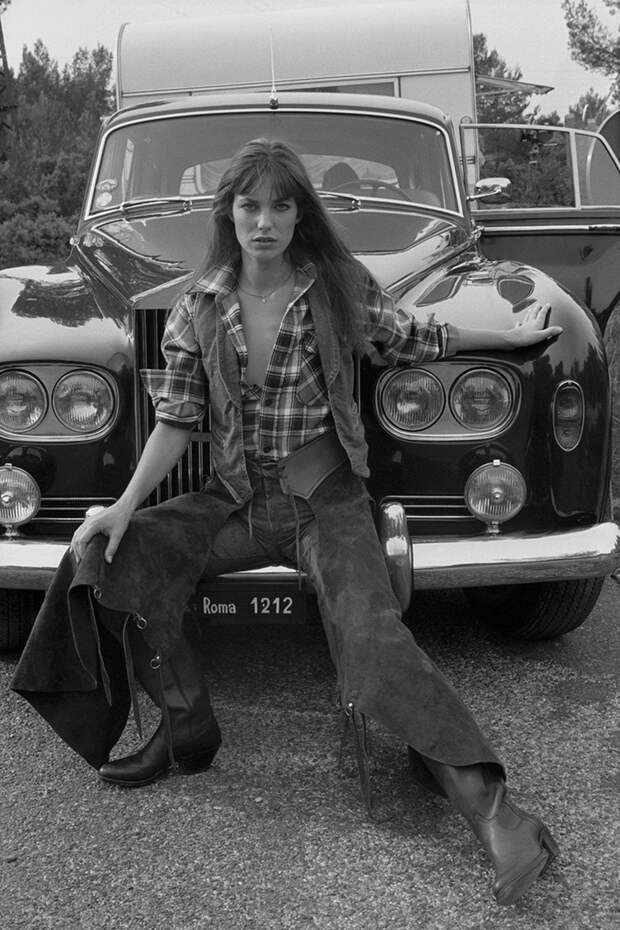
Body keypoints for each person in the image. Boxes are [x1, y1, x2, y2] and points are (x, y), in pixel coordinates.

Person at [12, 138, 562, 906]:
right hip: (235, 500)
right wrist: (123, 507)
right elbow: (176, 420)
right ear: (229, 214)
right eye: (250, 206)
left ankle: (495, 813)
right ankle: (184, 724)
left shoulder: (337, 286)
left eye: (280, 205)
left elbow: (415, 339)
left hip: (325, 501)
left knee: (369, 635)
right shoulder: (201, 305)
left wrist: (505, 339)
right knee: (111, 558)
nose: (264, 221)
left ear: (300, 214)